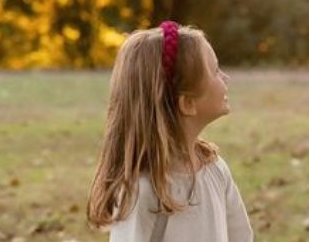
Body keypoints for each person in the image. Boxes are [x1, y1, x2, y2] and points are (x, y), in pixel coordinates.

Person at [87, 21, 253, 242]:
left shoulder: (215, 169)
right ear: (187, 104)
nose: (226, 78)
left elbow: (241, 237)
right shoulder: (143, 190)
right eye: (215, 71)